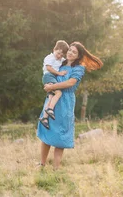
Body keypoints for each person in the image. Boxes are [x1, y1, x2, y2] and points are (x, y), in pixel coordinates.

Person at [36, 41, 103, 169]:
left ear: (78, 56)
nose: (70, 53)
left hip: (65, 101)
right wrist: (47, 85)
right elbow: (48, 73)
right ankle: (42, 164)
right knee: (47, 129)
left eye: (74, 52)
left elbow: (70, 83)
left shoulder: (79, 68)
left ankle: (56, 168)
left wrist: (53, 86)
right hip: (52, 99)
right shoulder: (59, 62)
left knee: (60, 134)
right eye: (70, 50)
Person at [39, 40, 70, 130]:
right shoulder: (49, 57)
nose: (59, 56)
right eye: (58, 53)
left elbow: (68, 60)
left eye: (62, 55)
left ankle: (44, 118)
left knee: (51, 96)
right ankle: (50, 109)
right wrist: (59, 73)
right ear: (54, 49)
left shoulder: (61, 59)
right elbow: (48, 68)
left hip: (53, 78)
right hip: (48, 76)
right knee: (59, 93)